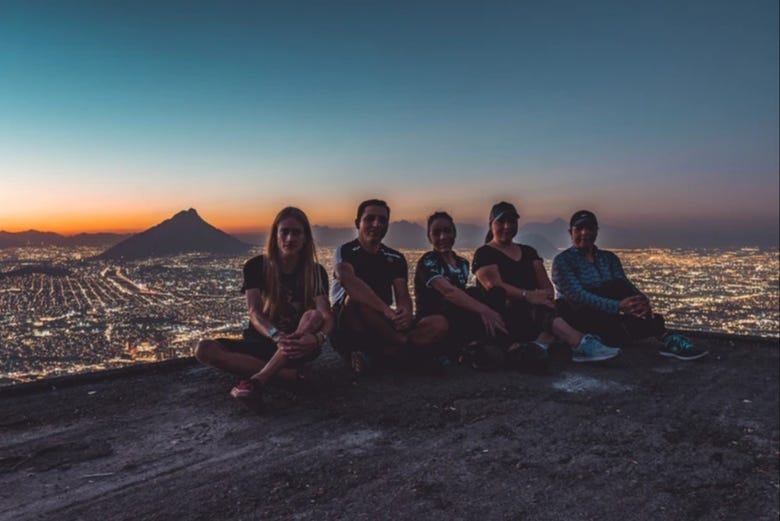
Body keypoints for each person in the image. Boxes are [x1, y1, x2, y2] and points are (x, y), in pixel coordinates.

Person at [195, 207, 333, 409]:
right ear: (275, 235)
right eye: (284, 231)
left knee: (312, 315)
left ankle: (259, 379)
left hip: (300, 345)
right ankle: (286, 375)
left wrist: (317, 338)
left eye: (296, 232)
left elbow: (325, 315)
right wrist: (276, 335)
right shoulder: (256, 266)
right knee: (204, 349)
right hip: (263, 341)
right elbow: (254, 312)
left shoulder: (315, 272)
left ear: (305, 238)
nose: (289, 238)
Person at [472, 202, 622, 367]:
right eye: (501, 222)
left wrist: (543, 297)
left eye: (512, 221)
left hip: (534, 313)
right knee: (537, 308)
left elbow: (546, 285)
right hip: (505, 314)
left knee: (563, 305)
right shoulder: (484, 253)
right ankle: (578, 342)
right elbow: (495, 287)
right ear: (491, 225)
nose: (507, 226)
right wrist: (528, 296)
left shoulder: (528, 252)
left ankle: (537, 346)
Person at [552, 210, 709, 360]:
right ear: (570, 232)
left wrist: (641, 300)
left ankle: (665, 338)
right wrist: (618, 306)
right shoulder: (563, 261)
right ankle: (654, 335)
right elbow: (579, 296)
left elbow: (625, 285)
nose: (584, 233)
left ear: (596, 231)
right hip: (580, 313)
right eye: (579, 229)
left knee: (619, 286)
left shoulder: (609, 258)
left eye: (589, 228)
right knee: (567, 304)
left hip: (607, 314)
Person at [331, 199, 447, 373]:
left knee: (439, 323)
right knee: (356, 300)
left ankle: (383, 355)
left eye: (382, 220)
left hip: (383, 324)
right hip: (352, 323)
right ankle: (403, 347)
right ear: (358, 223)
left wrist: (405, 314)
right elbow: (347, 280)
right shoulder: (345, 251)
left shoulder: (395, 258)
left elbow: (402, 296)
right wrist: (387, 311)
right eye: (370, 219)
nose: (376, 224)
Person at [414, 211, 508, 365]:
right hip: (434, 318)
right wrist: (484, 310)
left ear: (454, 233)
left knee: (495, 293)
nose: (442, 237)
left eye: (447, 231)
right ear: (429, 237)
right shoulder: (428, 262)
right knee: (466, 305)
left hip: (455, 315)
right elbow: (449, 292)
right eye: (436, 233)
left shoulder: (463, 263)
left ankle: (485, 344)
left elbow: (463, 297)